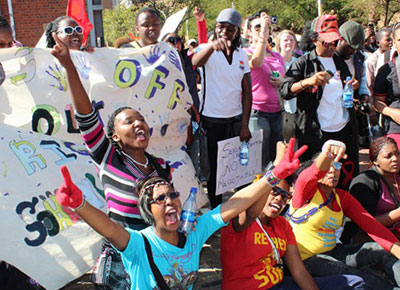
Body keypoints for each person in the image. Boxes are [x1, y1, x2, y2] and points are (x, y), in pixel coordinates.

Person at [56, 138, 306, 289]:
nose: (170, 202)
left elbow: (235, 204)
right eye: (160, 199)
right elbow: (109, 228)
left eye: (173, 195)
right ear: (149, 211)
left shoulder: (195, 232)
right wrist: (80, 204)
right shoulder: (138, 244)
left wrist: (275, 175)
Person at [50, 31, 171, 289]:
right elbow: (85, 114)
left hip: (156, 258)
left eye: (141, 119)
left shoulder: (161, 168)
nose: (139, 123)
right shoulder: (108, 156)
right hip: (122, 263)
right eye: (129, 121)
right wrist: (68, 65)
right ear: (114, 135)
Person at [220, 142, 365, 290]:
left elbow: (299, 271)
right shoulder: (242, 220)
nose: (279, 199)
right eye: (274, 192)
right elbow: (251, 211)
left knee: (354, 283)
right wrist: (276, 168)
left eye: (285, 196)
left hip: (281, 285)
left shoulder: (283, 225)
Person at [288, 139, 400, 289]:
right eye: (329, 166)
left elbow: (372, 226)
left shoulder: (341, 197)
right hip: (308, 259)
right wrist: (327, 153)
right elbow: (308, 176)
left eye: (337, 165)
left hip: (334, 251)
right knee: (359, 277)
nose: (333, 171)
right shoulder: (305, 193)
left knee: (383, 251)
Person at [281, 15, 359, 189]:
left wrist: (352, 85)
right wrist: (307, 82)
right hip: (315, 132)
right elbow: (285, 90)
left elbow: (344, 87)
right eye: (326, 43)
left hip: (342, 129)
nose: (331, 47)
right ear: (315, 39)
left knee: (341, 178)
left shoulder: (340, 62)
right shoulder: (303, 63)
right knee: (314, 178)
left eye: (334, 42)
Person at [192, 8, 252, 208]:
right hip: (212, 121)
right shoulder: (205, 49)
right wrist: (211, 47)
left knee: (239, 172)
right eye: (221, 27)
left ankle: (239, 213)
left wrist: (244, 124)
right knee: (214, 173)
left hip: (235, 121)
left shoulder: (241, 54)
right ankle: (217, 215)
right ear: (216, 28)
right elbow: (195, 62)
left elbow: (247, 91)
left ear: (237, 31)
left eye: (230, 28)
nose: (225, 31)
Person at [245, 10, 285, 169]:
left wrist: (282, 81)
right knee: (260, 162)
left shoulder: (276, 56)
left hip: (277, 112)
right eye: (257, 27)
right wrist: (263, 33)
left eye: (264, 27)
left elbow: (286, 79)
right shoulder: (245, 53)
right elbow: (256, 62)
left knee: (277, 160)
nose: (261, 30)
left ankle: (274, 193)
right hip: (257, 113)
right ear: (248, 32)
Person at [349, 136, 400, 240]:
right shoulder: (364, 182)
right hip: (374, 240)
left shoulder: (397, 175)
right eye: (388, 156)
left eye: (397, 154)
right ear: (375, 161)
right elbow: (364, 223)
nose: (395, 159)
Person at [374, 23, 400, 149]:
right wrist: (392, 113)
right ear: (394, 42)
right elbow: (378, 102)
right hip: (395, 128)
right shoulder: (386, 70)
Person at [275, 29, 299, 141]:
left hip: (296, 108)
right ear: (279, 43)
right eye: (285, 40)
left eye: (291, 40)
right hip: (279, 108)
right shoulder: (274, 61)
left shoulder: (299, 62)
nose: (288, 42)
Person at [366, 28, 392, 97]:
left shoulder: (393, 56)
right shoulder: (372, 60)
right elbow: (369, 85)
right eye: (388, 40)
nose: (391, 43)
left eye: (392, 39)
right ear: (378, 43)